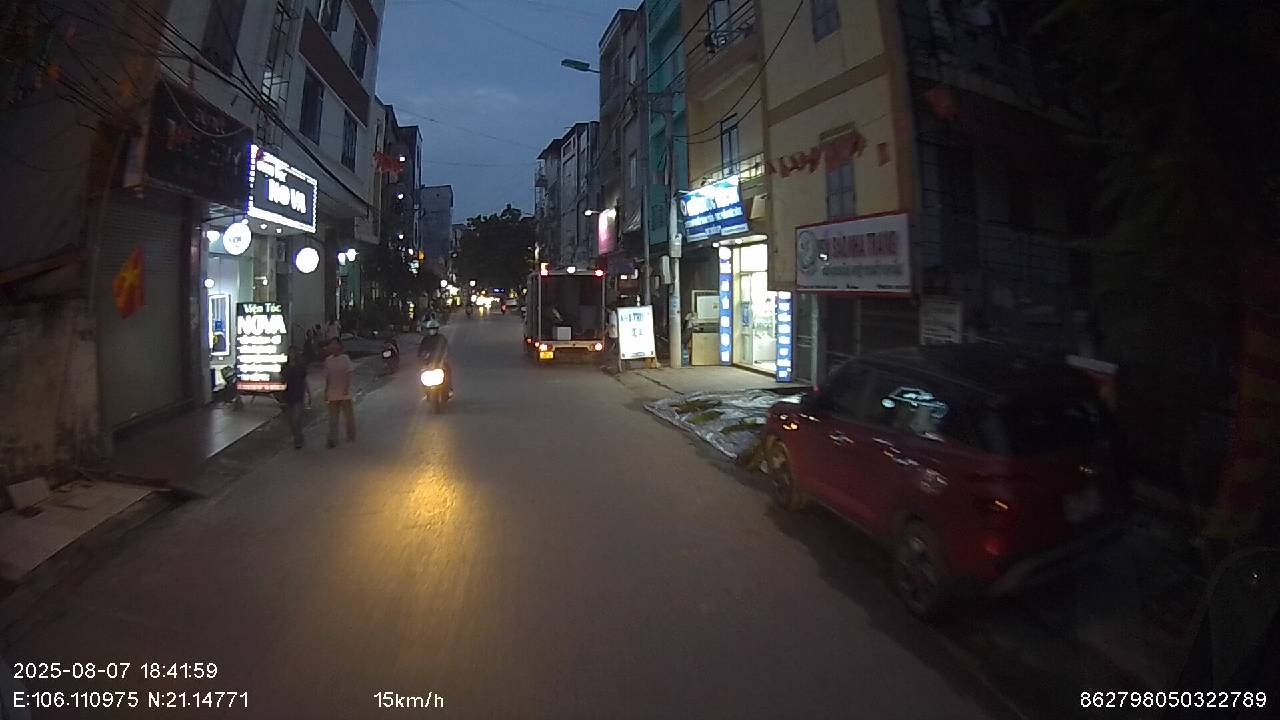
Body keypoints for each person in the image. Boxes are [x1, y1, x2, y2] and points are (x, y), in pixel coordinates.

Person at [324, 337, 356, 448]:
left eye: (335, 344)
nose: (333, 346)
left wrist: (346, 388)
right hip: (332, 392)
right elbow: (328, 377)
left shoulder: (345, 359)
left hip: (344, 392)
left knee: (348, 416)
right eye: (331, 344)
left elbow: (348, 374)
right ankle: (332, 438)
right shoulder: (328, 360)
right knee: (333, 418)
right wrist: (326, 391)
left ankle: (351, 435)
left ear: (340, 346)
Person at [281, 345, 309, 449]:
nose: (292, 355)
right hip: (288, 393)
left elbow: (304, 381)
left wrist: (308, 393)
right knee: (290, 419)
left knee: (296, 419)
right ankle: (296, 435)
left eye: (293, 352)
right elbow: (283, 381)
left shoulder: (301, 367)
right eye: (290, 353)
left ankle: (298, 438)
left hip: (299, 393)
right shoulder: (285, 367)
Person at [417, 319, 453, 398]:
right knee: (422, 374)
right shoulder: (425, 339)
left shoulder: (441, 338)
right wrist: (422, 356)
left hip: (440, 361)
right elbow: (420, 351)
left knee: (448, 371)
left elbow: (446, 349)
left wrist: (444, 358)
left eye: (434, 329)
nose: (432, 330)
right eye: (431, 329)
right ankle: (425, 390)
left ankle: (449, 389)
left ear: (437, 329)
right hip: (428, 363)